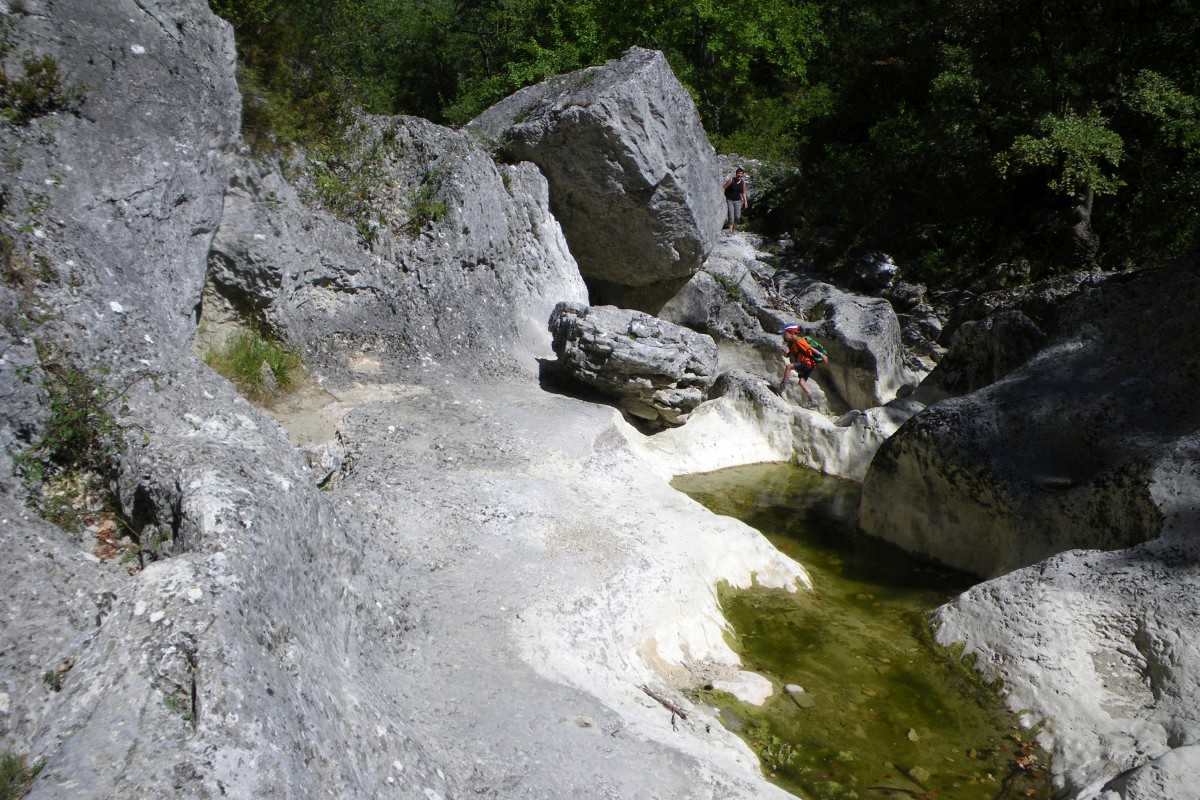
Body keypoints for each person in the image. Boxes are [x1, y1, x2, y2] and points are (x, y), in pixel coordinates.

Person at [776, 324, 830, 402]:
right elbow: (790, 355)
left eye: (785, 334)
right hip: (809, 366)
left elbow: (810, 348)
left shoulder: (799, 341)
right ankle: (813, 400)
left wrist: (821, 355)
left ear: (792, 334)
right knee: (802, 382)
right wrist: (785, 354)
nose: (785, 336)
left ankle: (781, 388)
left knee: (789, 367)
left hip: (807, 363)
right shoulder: (792, 344)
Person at [722, 167, 748, 232]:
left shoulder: (743, 182)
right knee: (731, 215)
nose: (740, 175)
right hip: (730, 200)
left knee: (737, 217)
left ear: (742, 175)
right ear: (736, 174)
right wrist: (722, 197)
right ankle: (730, 231)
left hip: (738, 201)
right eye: (738, 173)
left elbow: (744, 192)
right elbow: (724, 188)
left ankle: (734, 228)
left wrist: (745, 201)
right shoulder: (731, 180)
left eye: (741, 174)